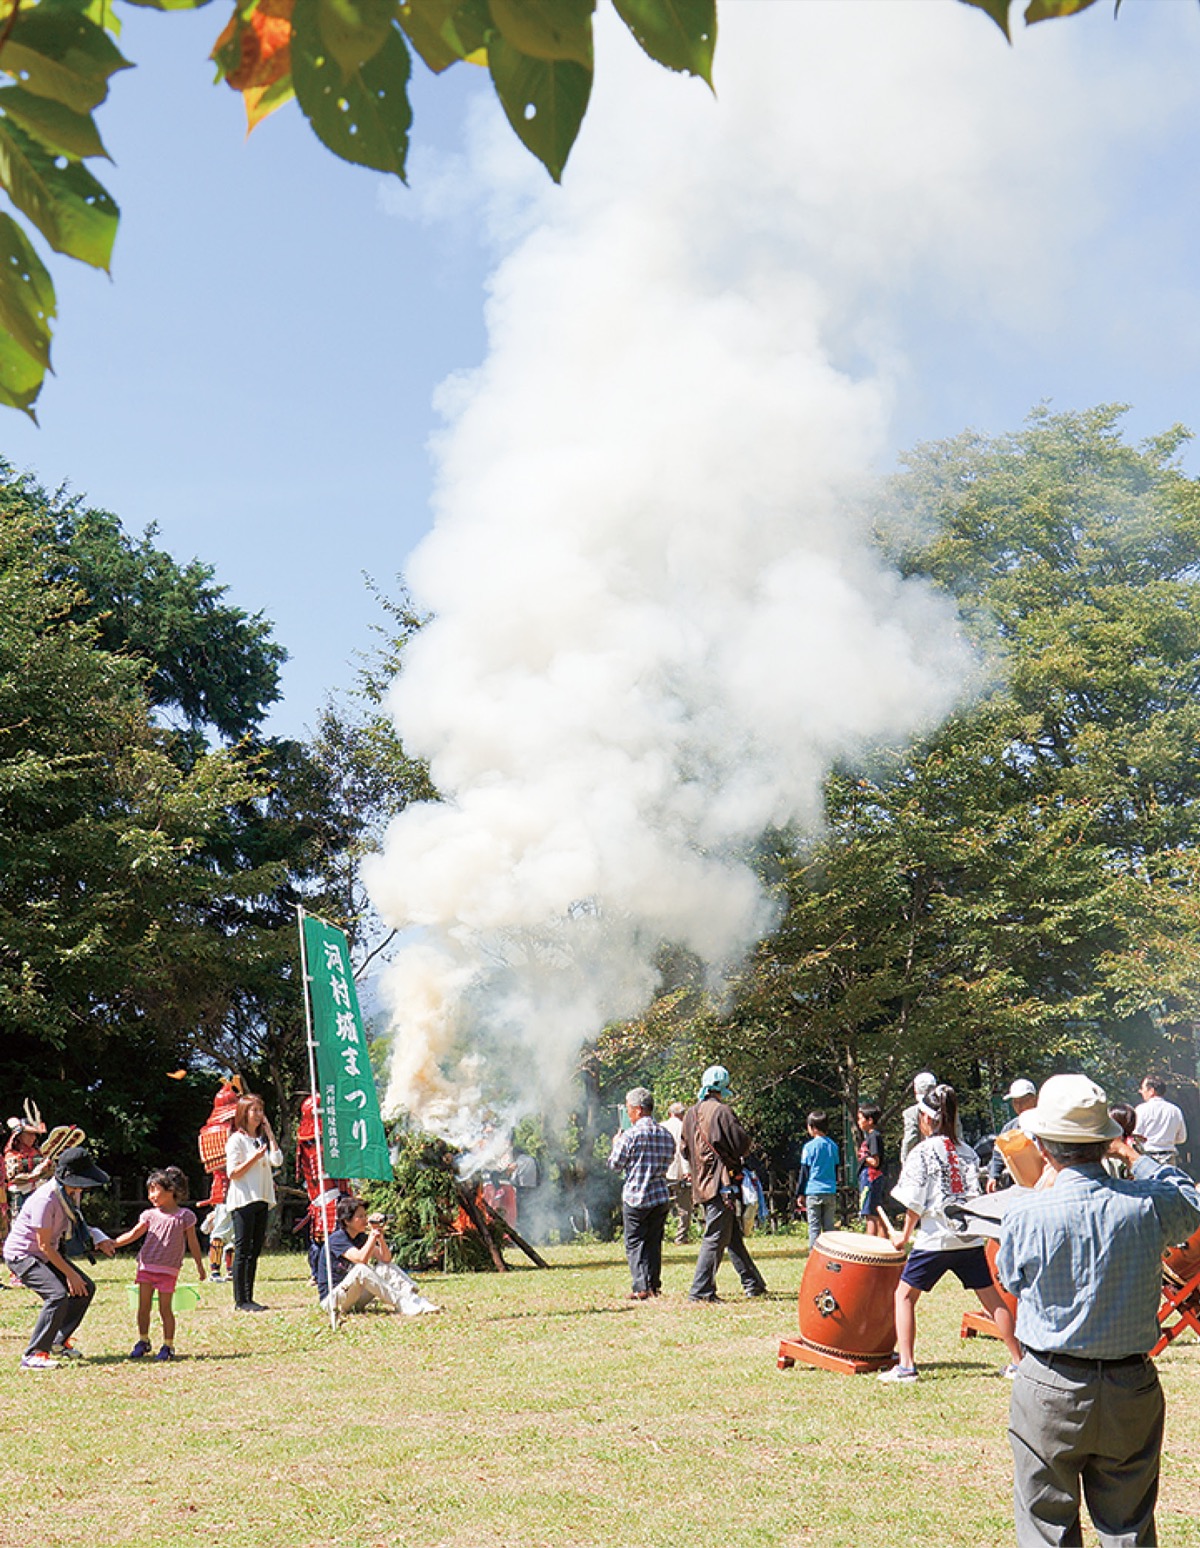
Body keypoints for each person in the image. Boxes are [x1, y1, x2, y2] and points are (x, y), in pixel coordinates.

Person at [997, 1073, 1200, 1546]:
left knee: (1045, 1528)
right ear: (1107, 1141)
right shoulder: (1147, 1206)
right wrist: (1134, 1157)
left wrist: (1042, 1189)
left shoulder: (1025, 1214)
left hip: (1050, 1382)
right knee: (1128, 1526)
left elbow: (1010, 1279)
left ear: (1042, 1145)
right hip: (1131, 1382)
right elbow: (1191, 1202)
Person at [879, 1083, 1021, 1384]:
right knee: (992, 1299)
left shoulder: (922, 1152)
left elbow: (915, 1202)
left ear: (926, 1118)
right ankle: (1019, 1362)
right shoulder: (967, 1152)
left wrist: (903, 1236)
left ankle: (906, 1366)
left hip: (935, 1238)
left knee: (904, 1296)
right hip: (968, 1237)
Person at [2, 1146, 117, 1369]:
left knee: (85, 1289)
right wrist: (70, 1274)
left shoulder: (70, 1194)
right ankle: (34, 1354)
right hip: (22, 1255)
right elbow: (44, 1245)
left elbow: (77, 1223)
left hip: (44, 1254)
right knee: (56, 1296)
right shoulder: (45, 1199)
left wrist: (99, 1238)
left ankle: (57, 1342)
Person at [680, 1065, 767, 1303]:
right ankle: (700, 1291)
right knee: (716, 1236)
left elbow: (684, 1149)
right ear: (723, 1087)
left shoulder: (690, 1113)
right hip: (721, 1183)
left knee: (731, 1235)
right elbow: (742, 1144)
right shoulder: (722, 1111)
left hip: (701, 1183)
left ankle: (753, 1283)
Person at [112, 1165, 206, 1361]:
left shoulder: (185, 1216)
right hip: (146, 1267)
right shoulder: (149, 1215)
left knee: (165, 1309)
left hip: (168, 1270)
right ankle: (143, 1340)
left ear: (170, 1190)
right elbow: (133, 1234)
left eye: (155, 1190)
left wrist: (200, 1265)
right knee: (143, 1307)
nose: (151, 1195)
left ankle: (168, 1345)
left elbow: (193, 1242)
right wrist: (112, 1243)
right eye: (149, 1191)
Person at [314, 1195, 440, 1319]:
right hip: (333, 1301)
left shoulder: (360, 1237)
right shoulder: (337, 1239)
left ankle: (415, 1300)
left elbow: (386, 1259)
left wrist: (380, 1236)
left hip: (354, 1297)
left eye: (365, 1215)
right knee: (361, 1269)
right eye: (360, 1216)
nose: (365, 1220)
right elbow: (360, 1259)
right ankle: (401, 1303)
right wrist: (372, 1235)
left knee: (385, 1267)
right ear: (347, 1221)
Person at [607, 1087, 675, 1299]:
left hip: (636, 1195)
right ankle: (653, 1285)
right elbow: (670, 1159)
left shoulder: (630, 1135)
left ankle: (641, 1287)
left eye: (628, 1109)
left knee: (635, 1242)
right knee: (654, 1242)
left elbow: (615, 1165)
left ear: (637, 1110)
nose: (628, 1114)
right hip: (660, 1194)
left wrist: (615, 1145)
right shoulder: (665, 1134)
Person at [224, 1092, 282, 1312]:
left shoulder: (260, 1139)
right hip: (243, 1200)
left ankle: (250, 1297)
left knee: (255, 1250)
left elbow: (277, 1161)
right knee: (243, 1250)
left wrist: (270, 1134)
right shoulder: (236, 1140)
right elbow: (233, 1172)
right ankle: (240, 1300)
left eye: (260, 1110)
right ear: (244, 1113)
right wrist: (254, 1158)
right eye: (254, 1110)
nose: (258, 1115)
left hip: (262, 1197)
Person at [797, 1110, 839, 1251]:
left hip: (813, 1191)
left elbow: (805, 1172)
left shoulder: (809, 1147)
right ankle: (830, 1256)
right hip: (830, 1190)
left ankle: (814, 1256)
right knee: (829, 1229)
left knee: (814, 1228)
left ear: (813, 1127)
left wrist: (800, 1193)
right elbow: (836, 1168)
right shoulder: (833, 1146)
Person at [986, 1079, 1039, 1192]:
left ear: (1034, 1100)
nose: (1019, 1106)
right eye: (1015, 1102)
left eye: (1023, 1101)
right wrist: (993, 1176)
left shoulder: (1047, 1124)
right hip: (1019, 1186)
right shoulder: (1009, 1128)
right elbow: (999, 1153)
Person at [1134, 1073, 1188, 1165]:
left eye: (1142, 1088)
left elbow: (1136, 1135)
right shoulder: (1175, 1110)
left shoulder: (1141, 1109)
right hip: (1169, 1159)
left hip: (1148, 1159)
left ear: (1151, 1091)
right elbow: (1182, 1138)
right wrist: (1167, 1140)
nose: (1141, 1091)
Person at [663, 1101, 692, 1244]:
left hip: (663, 1172)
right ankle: (681, 1237)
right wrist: (688, 1171)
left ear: (670, 1114)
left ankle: (659, 1235)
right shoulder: (685, 1127)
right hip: (680, 1172)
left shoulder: (661, 1127)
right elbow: (685, 1151)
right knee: (684, 1207)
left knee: (661, 1206)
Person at [856, 1101, 886, 1237]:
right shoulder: (871, 1136)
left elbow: (875, 1161)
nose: (859, 1122)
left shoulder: (873, 1136)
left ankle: (871, 1242)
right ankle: (884, 1242)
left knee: (870, 1214)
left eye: (860, 1119)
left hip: (871, 1177)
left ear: (870, 1120)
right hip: (871, 1177)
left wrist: (864, 1157)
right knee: (876, 1212)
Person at [900, 1073, 937, 1164]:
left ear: (915, 1090)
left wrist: (905, 1163)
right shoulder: (949, 1110)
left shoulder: (911, 1113)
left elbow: (910, 1139)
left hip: (922, 1161)